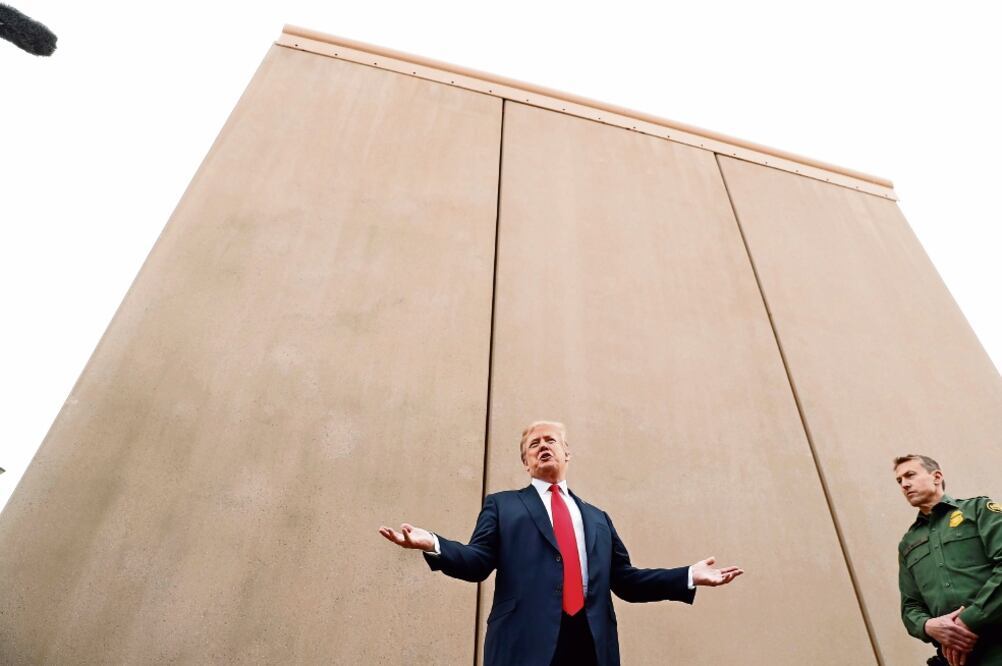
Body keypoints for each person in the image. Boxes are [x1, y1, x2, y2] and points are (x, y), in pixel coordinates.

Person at [379, 420, 743, 666]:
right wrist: (433, 543)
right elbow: (477, 561)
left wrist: (688, 575)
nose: (542, 446)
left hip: (591, 642)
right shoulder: (502, 505)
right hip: (524, 640)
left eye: (550, 440)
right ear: (526, 463)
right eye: (533, 444)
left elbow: (626, 581)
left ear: (567, 454)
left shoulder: (598, 518)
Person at [894, 454, 1002, 666]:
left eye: (910, 475)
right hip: (957, 658)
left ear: (936, 477)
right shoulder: (908, 543)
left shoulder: (978, 510)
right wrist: (929, 626)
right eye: (899, 481)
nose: (904, 484)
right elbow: (910, 607)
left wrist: (968, 620)